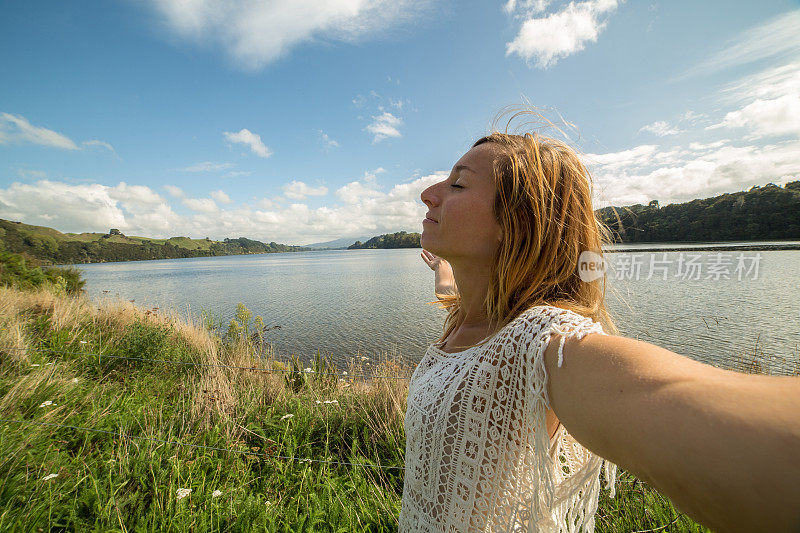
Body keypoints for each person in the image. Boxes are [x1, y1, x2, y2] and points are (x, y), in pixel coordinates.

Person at [398, 128, 800, 533]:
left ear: (517, 223)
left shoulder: (542, 341)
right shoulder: (468, 316)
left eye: (459, 184)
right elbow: (453, 297)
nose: (429, 193)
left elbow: (666, 396)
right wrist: (445, 271)